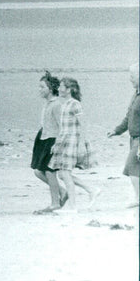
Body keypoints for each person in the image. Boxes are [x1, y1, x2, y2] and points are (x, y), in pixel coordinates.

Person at [49, 77, 100, 213]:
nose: (59, 89)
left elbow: (83, 125)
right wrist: (56, 143)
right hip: (64, 141)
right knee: (61, 174)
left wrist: (82, 144)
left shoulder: (75, 104)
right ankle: (91, 189)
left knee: (65, 173)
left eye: (61, 87)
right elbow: (63, 128)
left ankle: (73, 206)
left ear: (70, 89)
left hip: (73, 141)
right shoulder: (64, 104)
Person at [31, 71, 68, 213]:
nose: (39, 90)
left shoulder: (57, 104)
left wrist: (58, 144)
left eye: (42, 87)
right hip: (44, 138)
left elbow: (62, 126)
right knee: (38, 171)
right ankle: (63, 192)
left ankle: (55, 203)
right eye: (39, 87)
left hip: (52, 140)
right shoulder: (48, 103)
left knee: (49, 171)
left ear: (51, 89)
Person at [107, 62, 140, 208]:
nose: (130, 79)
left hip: (139, 139)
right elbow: (129, 117)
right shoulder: (136, 94)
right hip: (133, 139)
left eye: (132, 76)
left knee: (132, 167)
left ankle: (138, 199)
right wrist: (117, 130)